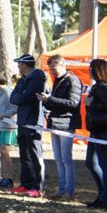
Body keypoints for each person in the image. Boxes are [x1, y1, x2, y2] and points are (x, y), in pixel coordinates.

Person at [37, 54, 82, 200]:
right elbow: (55, 102)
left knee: (66, 159)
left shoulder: (73, 80)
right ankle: (62, 189)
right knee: (58, 158)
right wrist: (45, 100)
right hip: (55, 122)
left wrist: (50, 99)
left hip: (66, 123)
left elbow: (73, 103)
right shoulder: (57, 81)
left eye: (54, 69)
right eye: (50, 70)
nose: (52, 73)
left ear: (63, 65)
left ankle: (70, 191)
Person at [83, 58, 107, 209]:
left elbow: (106, 106)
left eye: (91, 68)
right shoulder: (104, 86)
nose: (89, 71)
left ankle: (106, 197)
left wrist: (90, 103)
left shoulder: (102, 88)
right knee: (91, 162)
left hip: (101, 130)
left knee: (103, 163)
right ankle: (102, 194)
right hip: (98, 129)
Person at [9, 54, 46, 197]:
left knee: (35, 155)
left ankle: (39, 187)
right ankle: (26, 184)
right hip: (22, 122)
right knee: (24, 155)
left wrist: (21, 96)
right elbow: (13, 97)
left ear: (24, 65)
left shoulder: (37, 77)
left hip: (33, 122)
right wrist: (20, 96)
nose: (18, 67)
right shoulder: (23, 80)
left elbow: (26, 97)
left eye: (19, 64)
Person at [0, 71, 18, 188]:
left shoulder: (7, 92)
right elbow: (0, 106)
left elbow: (15, 107)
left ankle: (10, 179)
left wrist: (4, 115)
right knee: (2, 152)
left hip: (9, 126)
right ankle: (4, 177)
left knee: (5, 152)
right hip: (1, 125)